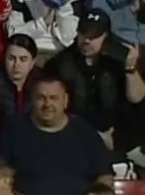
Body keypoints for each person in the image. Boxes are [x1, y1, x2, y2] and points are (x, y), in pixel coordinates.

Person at [0, 73, 114, 195]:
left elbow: (105, 178)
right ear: (31, 100)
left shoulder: (84, 132)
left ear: (65, 101)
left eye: (54, 98)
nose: (47, 104)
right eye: (41, 98)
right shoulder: (14, 130)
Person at [45, 11, 145, 156]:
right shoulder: (61, 63)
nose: (86, 41)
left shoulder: (117, 60)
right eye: (83, 34)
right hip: (74, 133)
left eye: (93, 37)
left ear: (106, 36)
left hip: (115, 134)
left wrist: (130, 67)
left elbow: (137, 98)